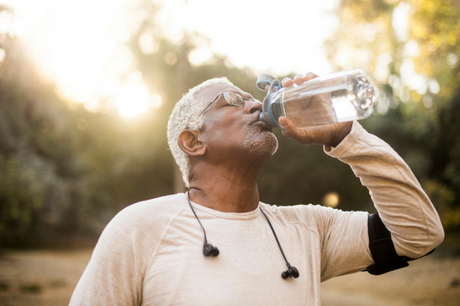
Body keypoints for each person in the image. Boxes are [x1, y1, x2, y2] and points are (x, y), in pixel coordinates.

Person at [70, 73, 444, 306]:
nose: (253, 103)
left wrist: (347, 137)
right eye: (232, 100)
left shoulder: (309, 229)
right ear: (193, 142)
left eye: (251, 96)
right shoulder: (140, 227)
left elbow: (419, 233)